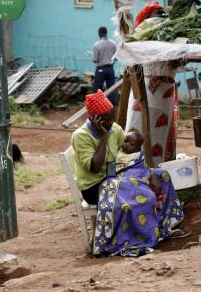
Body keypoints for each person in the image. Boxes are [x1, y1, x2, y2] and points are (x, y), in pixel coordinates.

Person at [72, 90, 185, 257]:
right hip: (95, 186)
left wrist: (149, 173)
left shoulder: (115, 129)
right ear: (95, 119)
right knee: (138, 188)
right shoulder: (81, 136)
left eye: (112, 117)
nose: (112, 122)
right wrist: (103, 136)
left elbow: (130, 154)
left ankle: (163, 226)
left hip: (118, 176)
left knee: (162, 175)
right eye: (107, 119)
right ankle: (138, 236)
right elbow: (95, 167)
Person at [126, 2, 181, 166]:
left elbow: (172, 63)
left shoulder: (171, 38)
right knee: (140, 130)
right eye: (157, 13)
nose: (162, 16)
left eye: (163, 13)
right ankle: (136, 169)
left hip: (166, 95)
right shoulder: (141, 38)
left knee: (161, 136)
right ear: (146, 19)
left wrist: (178, 60)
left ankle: (159, 172)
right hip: (146, 93)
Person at [92, 26, 117, 105]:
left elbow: (95, 60)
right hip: (110, 69)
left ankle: (98, 106)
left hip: (100, 69)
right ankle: (111, 108)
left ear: (99, 34)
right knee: (111, 89)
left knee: (98, 89)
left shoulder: (96, 45)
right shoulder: (113, 43)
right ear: (106, 33)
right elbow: (115, 58)